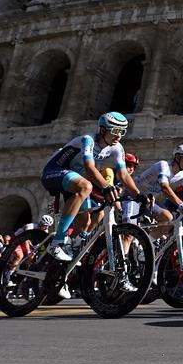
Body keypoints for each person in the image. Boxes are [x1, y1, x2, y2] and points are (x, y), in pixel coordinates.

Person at [40, 111, 141, 262]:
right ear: (103, 129)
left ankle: (56, 264)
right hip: (54, 171)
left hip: (73, 179)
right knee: (85, 186)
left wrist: (139, 195)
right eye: (115, 131)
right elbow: (89, 167)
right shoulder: (88, 140)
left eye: (122, 132)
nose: (119, 136)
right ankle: (57, 242)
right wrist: (106, 186)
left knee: (85, 224)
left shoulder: (117, 147)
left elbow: (124, 175)